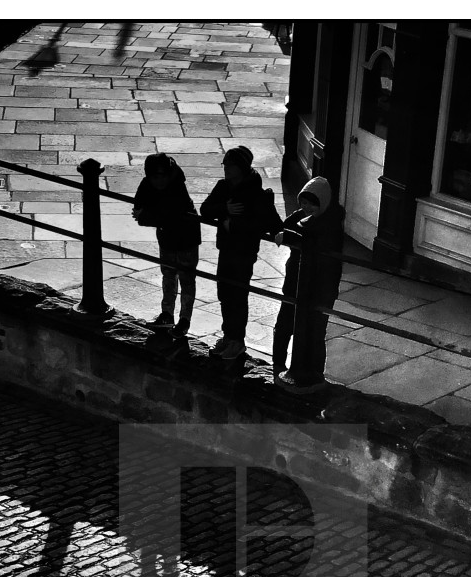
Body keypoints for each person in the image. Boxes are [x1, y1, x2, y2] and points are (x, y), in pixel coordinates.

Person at [199, 146, 282, 360]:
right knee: (224, 294)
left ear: (241, 167)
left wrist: (232, 226)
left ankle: (237, 341)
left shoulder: (255, 192)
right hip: (226, 249)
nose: (225, 168)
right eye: (225, 164)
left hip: (244, 253)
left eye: (230, 165)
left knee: (237, 295)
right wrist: (224, 209)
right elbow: (205, 209)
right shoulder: (223, 187)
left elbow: (268, 223)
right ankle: (228, 336)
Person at [271, 177, 345, 393]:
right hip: (295, 282)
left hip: (319, 288)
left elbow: (309, 241)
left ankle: (315, 374)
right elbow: (287, 225)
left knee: (314, 332)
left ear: (323, 202)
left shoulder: (329, 224)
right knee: (284, 323)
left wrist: (289, 235)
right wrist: (300, 214)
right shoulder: (307, 216)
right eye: (302, 203)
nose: (306, 208)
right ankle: (278, 365)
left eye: (311, 204)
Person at [133, 152, 201, 341]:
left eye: (161, 176)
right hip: (167, 236)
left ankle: (184, 320)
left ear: (168, 174)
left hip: (186, 237)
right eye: (154, 177)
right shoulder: (148, 183)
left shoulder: (178, 185)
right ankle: (167, 315)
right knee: (168, 275)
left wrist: (149, 215)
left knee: (187, 278)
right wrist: (152, 215)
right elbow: (138, 206)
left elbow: (168, 215)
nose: (158, 181)